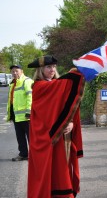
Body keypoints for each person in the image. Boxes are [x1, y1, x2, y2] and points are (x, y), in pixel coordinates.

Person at [27, 55, 85, 198]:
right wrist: (76, 73)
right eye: (48, 67)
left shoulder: (55, 84)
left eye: (54, 66)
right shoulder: (39, 86)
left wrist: (70, 123)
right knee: (48, 170)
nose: (52, 69)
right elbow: (61, 87)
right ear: (41, 69)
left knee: (60, 169)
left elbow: (70, 107)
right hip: (46, 138)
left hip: (60, 135)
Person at [6, 65, 33, 161]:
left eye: (16, 71)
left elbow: (31, 97)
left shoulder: (27, 81)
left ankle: (34, 156)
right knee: (20, 136)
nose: (14, 73)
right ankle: (23, 154)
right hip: (16, 115)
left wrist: (29, 112)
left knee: (31, 137)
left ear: (22, 71)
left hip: (26, 115)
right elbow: (12, 100)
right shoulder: (13, 83)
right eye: (12, 71)